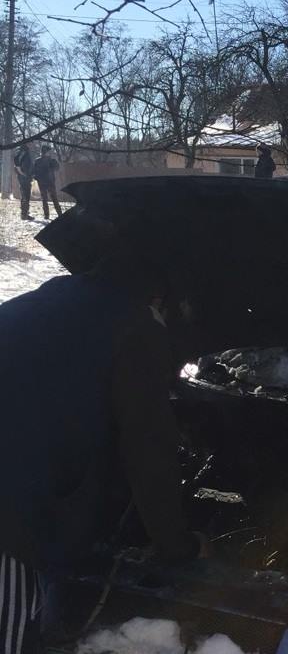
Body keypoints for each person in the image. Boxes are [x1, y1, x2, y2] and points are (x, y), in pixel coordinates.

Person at [0, 257, 205, 653]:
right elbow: (150, 455)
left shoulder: (56, 302)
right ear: (160, 300)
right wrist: (179, 547)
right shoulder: (135, 326)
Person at [31, 146, 62, 220]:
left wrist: (37, 178)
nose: (49, 152)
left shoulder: (37, 160)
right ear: (46, 152)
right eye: (49, 151)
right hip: (49, 182)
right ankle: (59, 214)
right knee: (54, 199)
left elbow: (33, 172)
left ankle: (47, 216)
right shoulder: (50, 160)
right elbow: (57, 168)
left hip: (43, 183)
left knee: (45, 200)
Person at [13, 144, 33, 221]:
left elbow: (17, 169)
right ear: (25, 150)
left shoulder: (18, 156)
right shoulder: (24, 156)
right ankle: (24, 215)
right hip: (25, 179)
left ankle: (24, 214)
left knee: (24, 196)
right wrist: (27, 175)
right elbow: (22, 169)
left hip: (22, 179)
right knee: (26, 197)